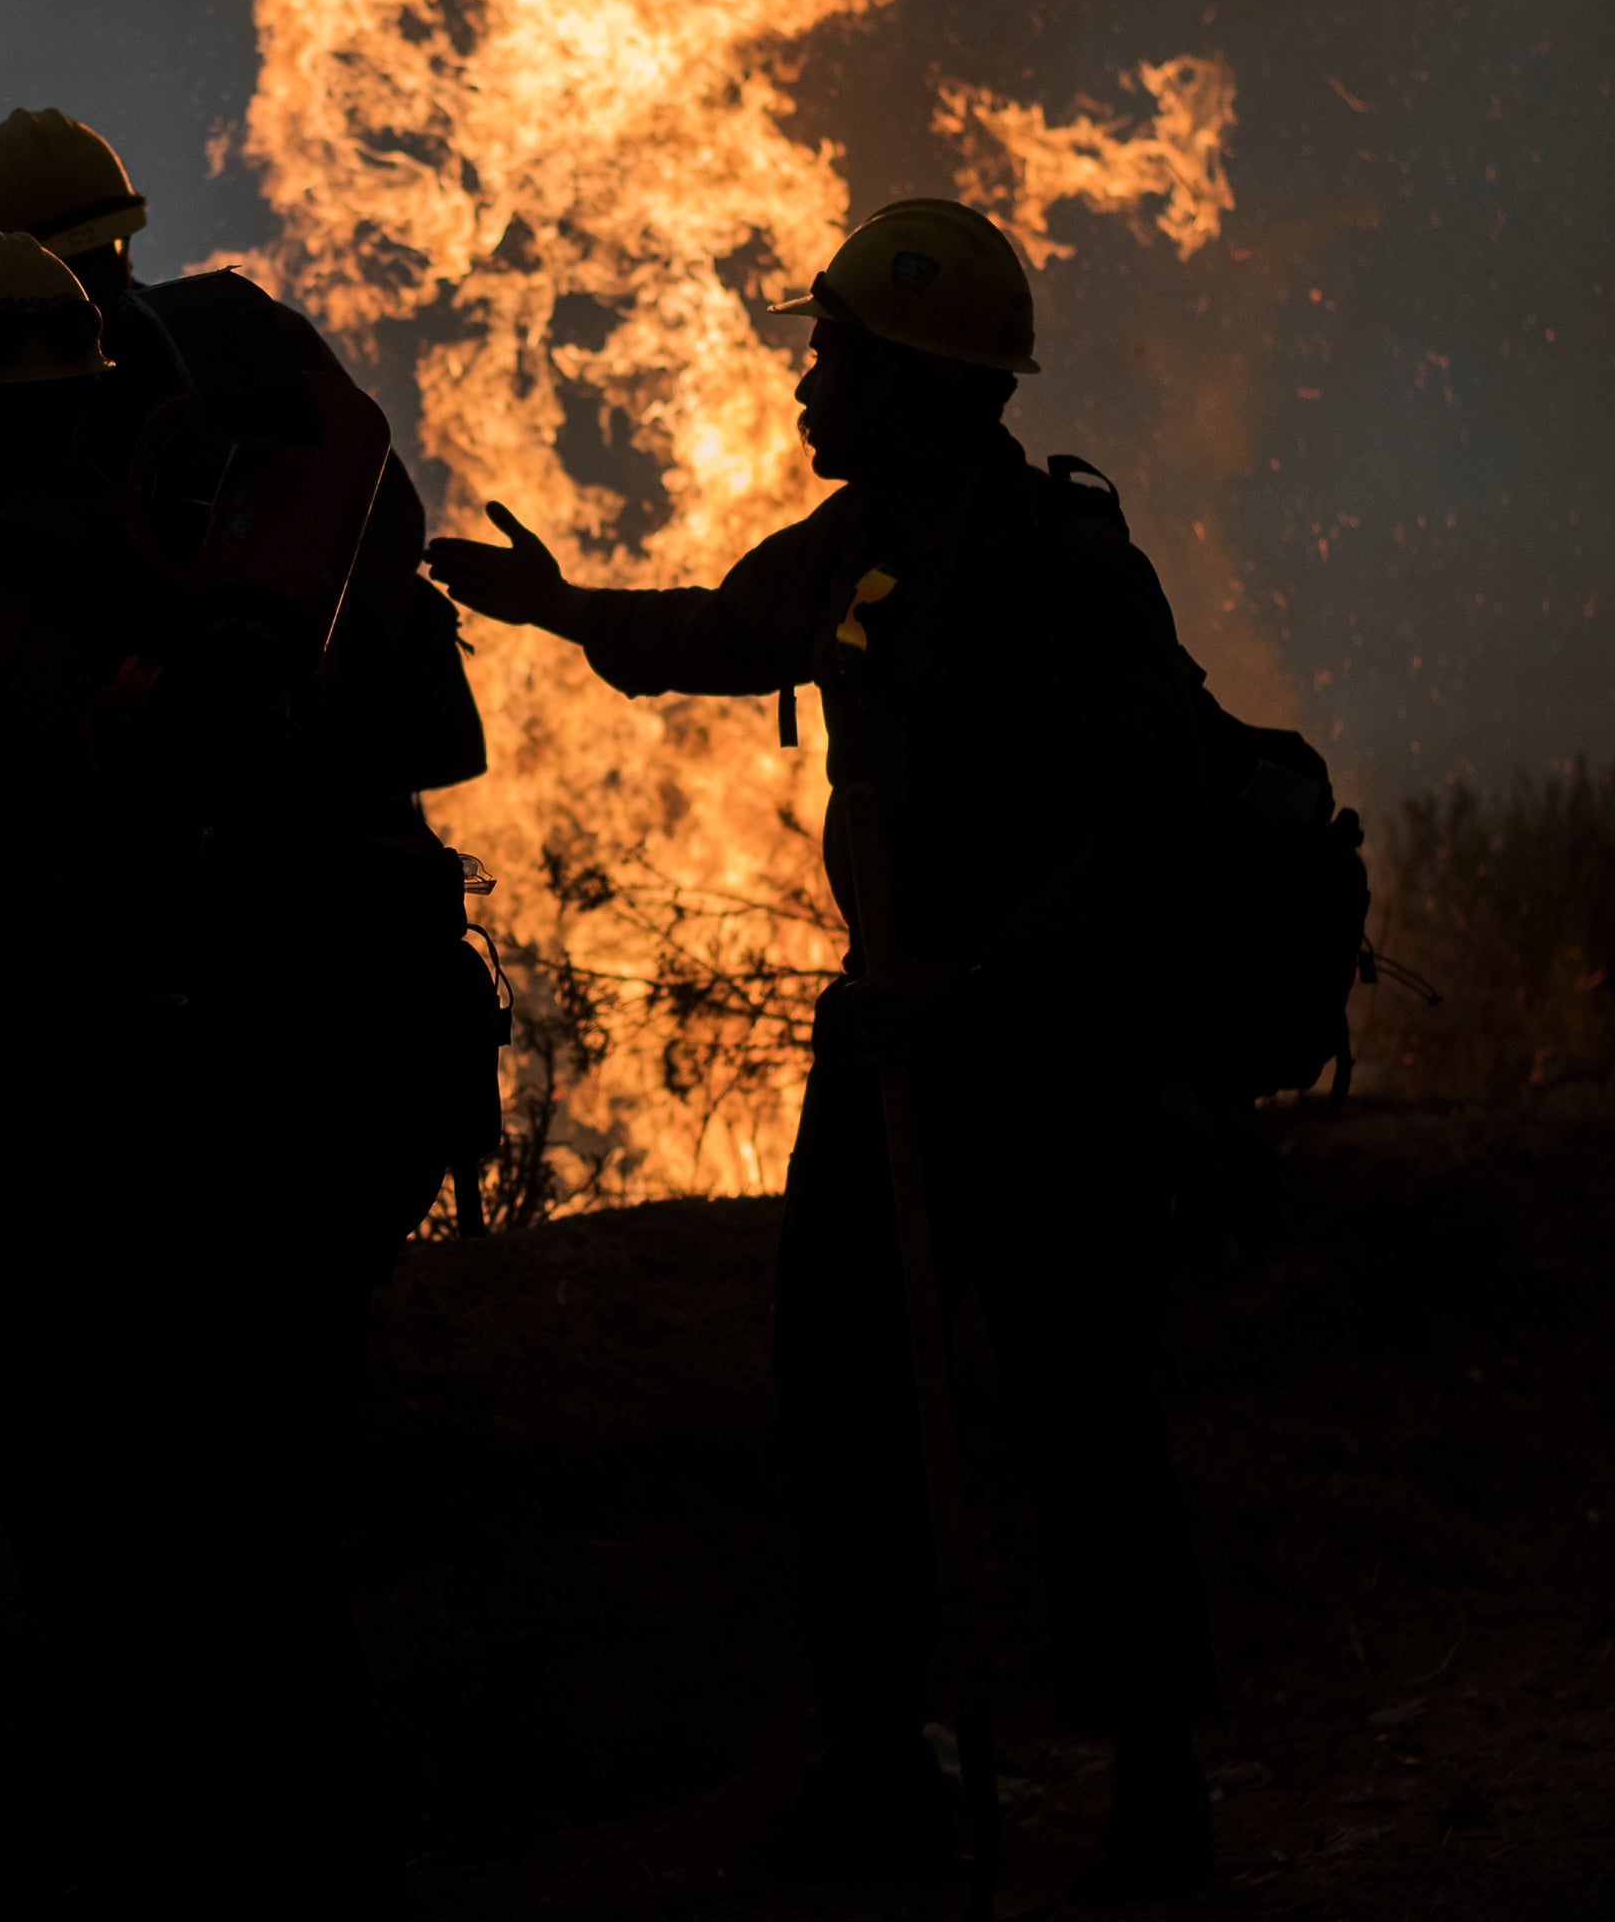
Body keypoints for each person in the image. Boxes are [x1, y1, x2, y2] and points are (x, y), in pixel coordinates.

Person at [424, 198, 1226, 1900]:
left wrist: (995, 985)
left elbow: (1160, 826)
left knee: (1083, 1416)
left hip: (1050, 1070)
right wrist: (567, 614)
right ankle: (879, 1769)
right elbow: (724, 634)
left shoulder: (1070, 575)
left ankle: (1157, 1787)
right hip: (894, 1064)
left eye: (835, 355)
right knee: (847, 1402)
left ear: (917, 381)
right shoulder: (860, 551)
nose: (807, 381)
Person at [0, 226, 402, 1911]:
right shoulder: (188, 566)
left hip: (53, 1144)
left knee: (96, 1548)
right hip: (234, 1120)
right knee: (258, 1538)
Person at [0, 105, 498, 1272]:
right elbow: (385, 518)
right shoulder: (242, 332)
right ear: (122, 232)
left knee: (226, 1216)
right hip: (345, 826)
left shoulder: (67, 412)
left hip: (212, 864)